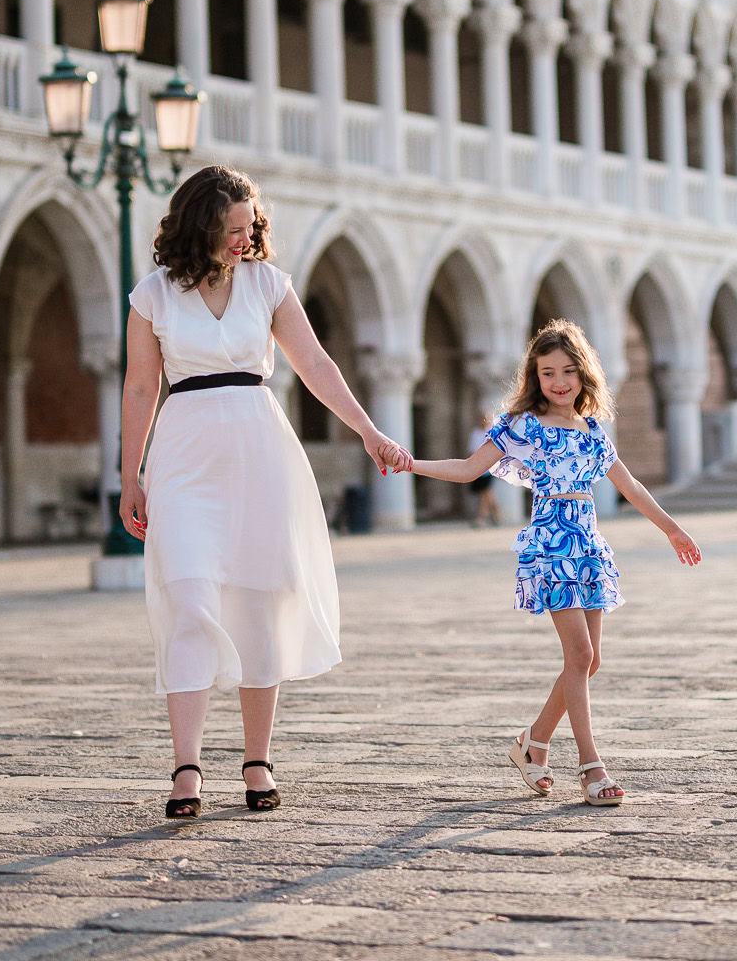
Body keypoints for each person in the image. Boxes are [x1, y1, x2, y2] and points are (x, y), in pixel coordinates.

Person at [119, 166, 410, 819]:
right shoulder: (153, 296)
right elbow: (140, 388)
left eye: (251, 229)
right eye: (231, 231)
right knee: (189, 596)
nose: (244, 241)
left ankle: (257, 760)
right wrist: (128, 474)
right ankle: (187, 768)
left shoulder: (268, 284)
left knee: (258, 600)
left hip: (260, 447)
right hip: (185, 452)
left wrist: (368, 431)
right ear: (200, 227)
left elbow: (315, 365)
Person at [405, 319, 701, 806]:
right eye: (547, 373)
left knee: (592, 661)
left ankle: (533, 743)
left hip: (588, 543)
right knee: (579, 657)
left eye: (567, 371)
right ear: (534, 378)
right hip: (552, 542)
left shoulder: (592, 431)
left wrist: (671, 527)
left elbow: (631, 486)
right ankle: (591, 766)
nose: (559, 382)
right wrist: (410, 462)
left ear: (584, 373)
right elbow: (466, 469)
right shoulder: (523, 425)